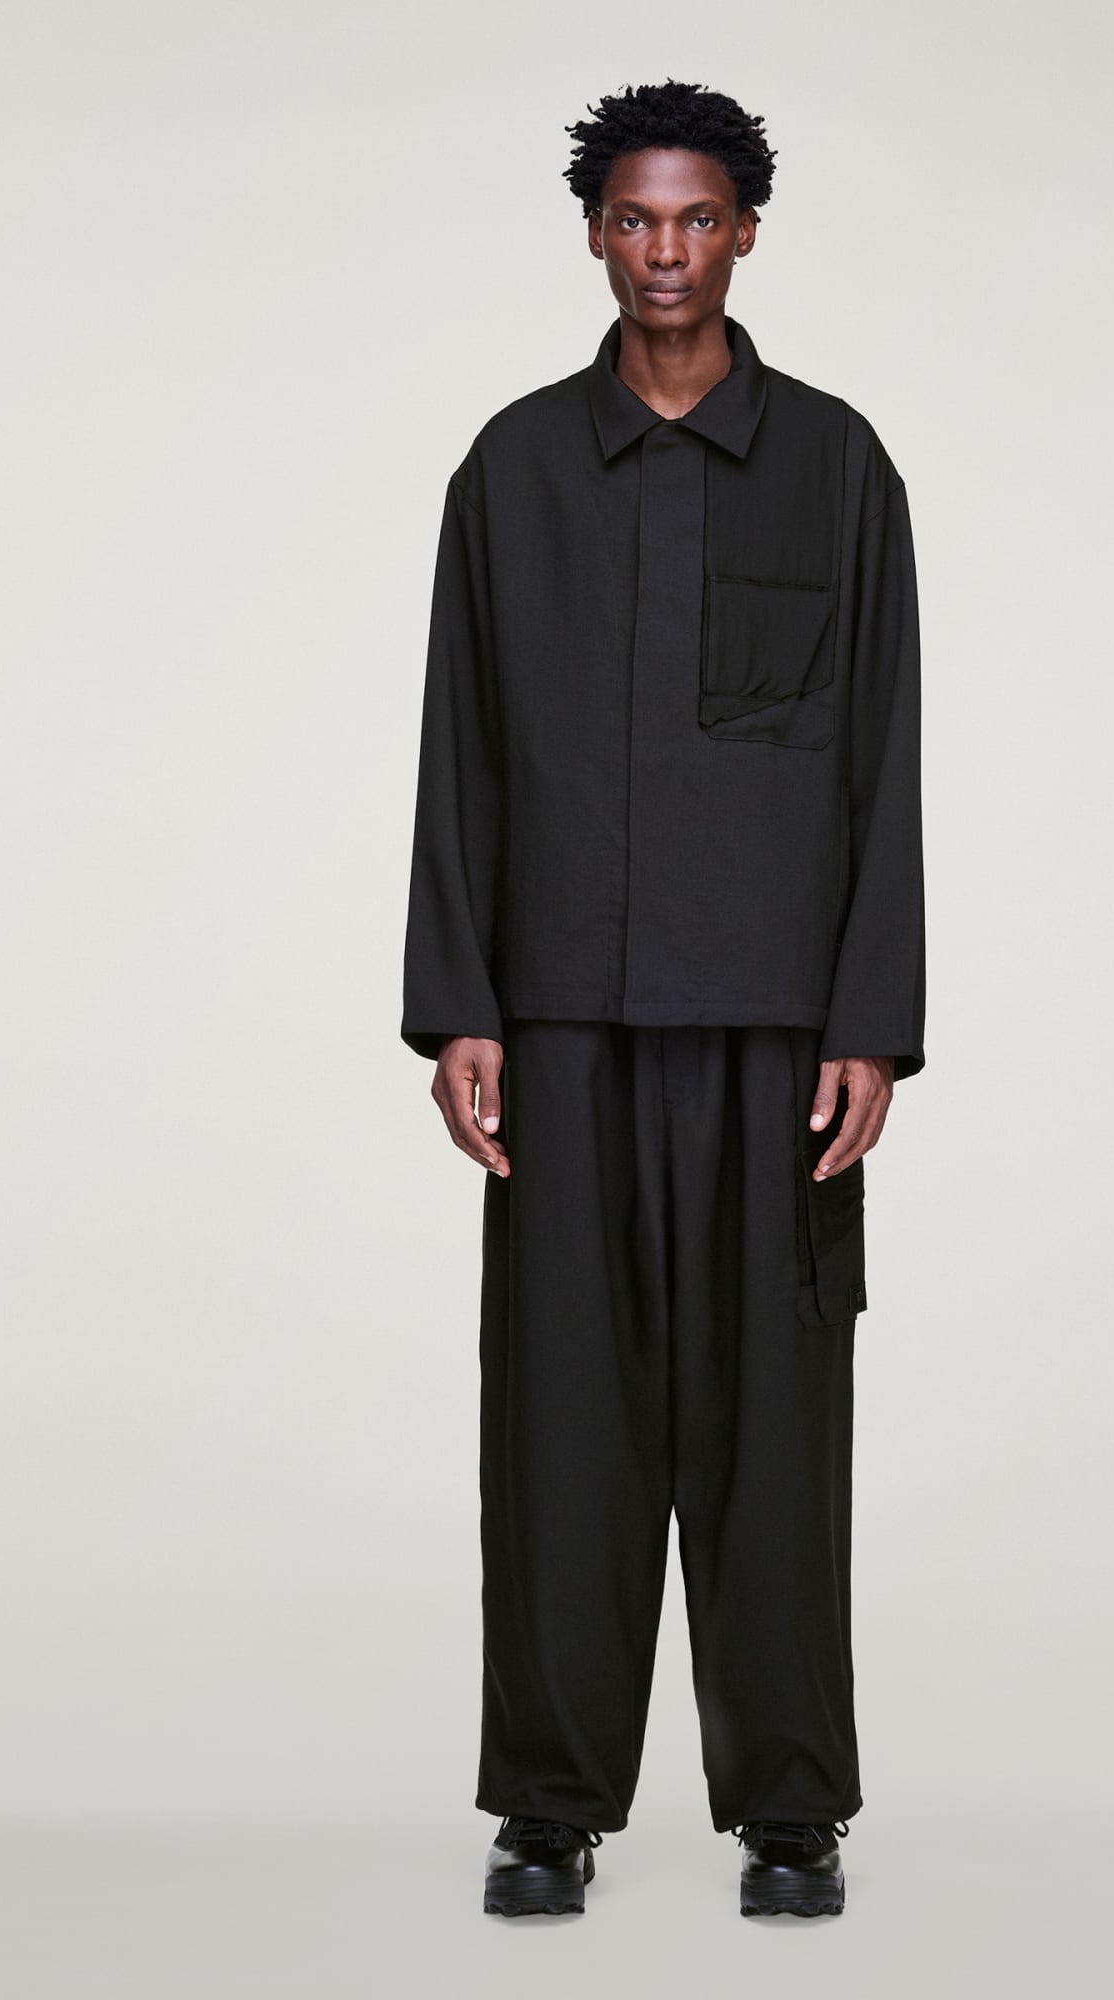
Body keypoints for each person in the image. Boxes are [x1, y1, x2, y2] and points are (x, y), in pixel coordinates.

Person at [399, 77, 926, 1920]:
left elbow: (884, 756)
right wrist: (460, 1003)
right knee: (561, 1424)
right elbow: (460, 746)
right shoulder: (514, 469)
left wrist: (869, 1021)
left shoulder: (838, 467)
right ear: (595, 234)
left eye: (699, 219)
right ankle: (550, 1804)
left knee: (776, 1423)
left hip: (777, 1029)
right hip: (559, 1021)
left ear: (747, 232)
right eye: (636, 219)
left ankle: (791, 1809)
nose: (667, 252)